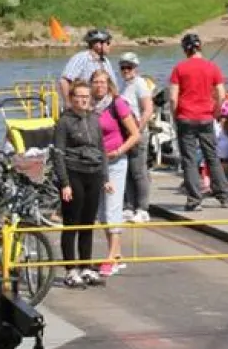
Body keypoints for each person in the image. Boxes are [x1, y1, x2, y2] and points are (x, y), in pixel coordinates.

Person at [51, 81, 112, 288]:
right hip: (73, 171)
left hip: (93, 172)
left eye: (87, 96)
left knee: (88, 222)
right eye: (80, 96)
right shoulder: (64, 122)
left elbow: (101, 149)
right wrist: (65, 183)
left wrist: (105, 178)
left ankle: (86, 266)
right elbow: (58, 153)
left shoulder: (94, 119)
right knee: (72, 223)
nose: (84, 100)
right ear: (72, 98)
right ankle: (71, 269)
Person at [168, 32, 228, 211]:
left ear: (185, 49)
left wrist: (175, 115)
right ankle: (224, 195)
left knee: (189, 159)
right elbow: (221, 94)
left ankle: (194, 200)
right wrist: (216, 112)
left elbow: (173, 98)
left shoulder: (179, 68)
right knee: (212, 156)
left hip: (186, 118)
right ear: (200, 47)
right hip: (206, 117)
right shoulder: (212, 67)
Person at [90, 69, 140, 278]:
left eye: (103, 82)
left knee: (113, 209)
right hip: (98, 163)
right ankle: (116, 254)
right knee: (102, 213)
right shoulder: (91, 106)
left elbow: (135, 134)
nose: (99, 85)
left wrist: (119, 150)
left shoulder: (116, 103)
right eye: (96, 82)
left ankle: (111, 257)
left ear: (108, 84)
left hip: (116, 161)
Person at [116, 52, 155, 221]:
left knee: (139, 171)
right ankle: (129, 206)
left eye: (129, 67)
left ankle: (143, 208)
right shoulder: (123, 85)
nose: (126, 71)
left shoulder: (139, 84)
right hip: (124, 134)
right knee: (127, 171)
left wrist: (139, 128)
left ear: (135, 68)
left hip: (137, 133)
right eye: (123, 67)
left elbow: (147, 109)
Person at [59, 28, 118, 109]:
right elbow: (64, 81)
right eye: (107, 43)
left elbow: (113, 85)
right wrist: (68, 103)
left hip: (105, 108)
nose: (110, 46)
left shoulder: (106, 61)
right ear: (97, 44)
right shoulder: (81, 58)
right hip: (87, 108)